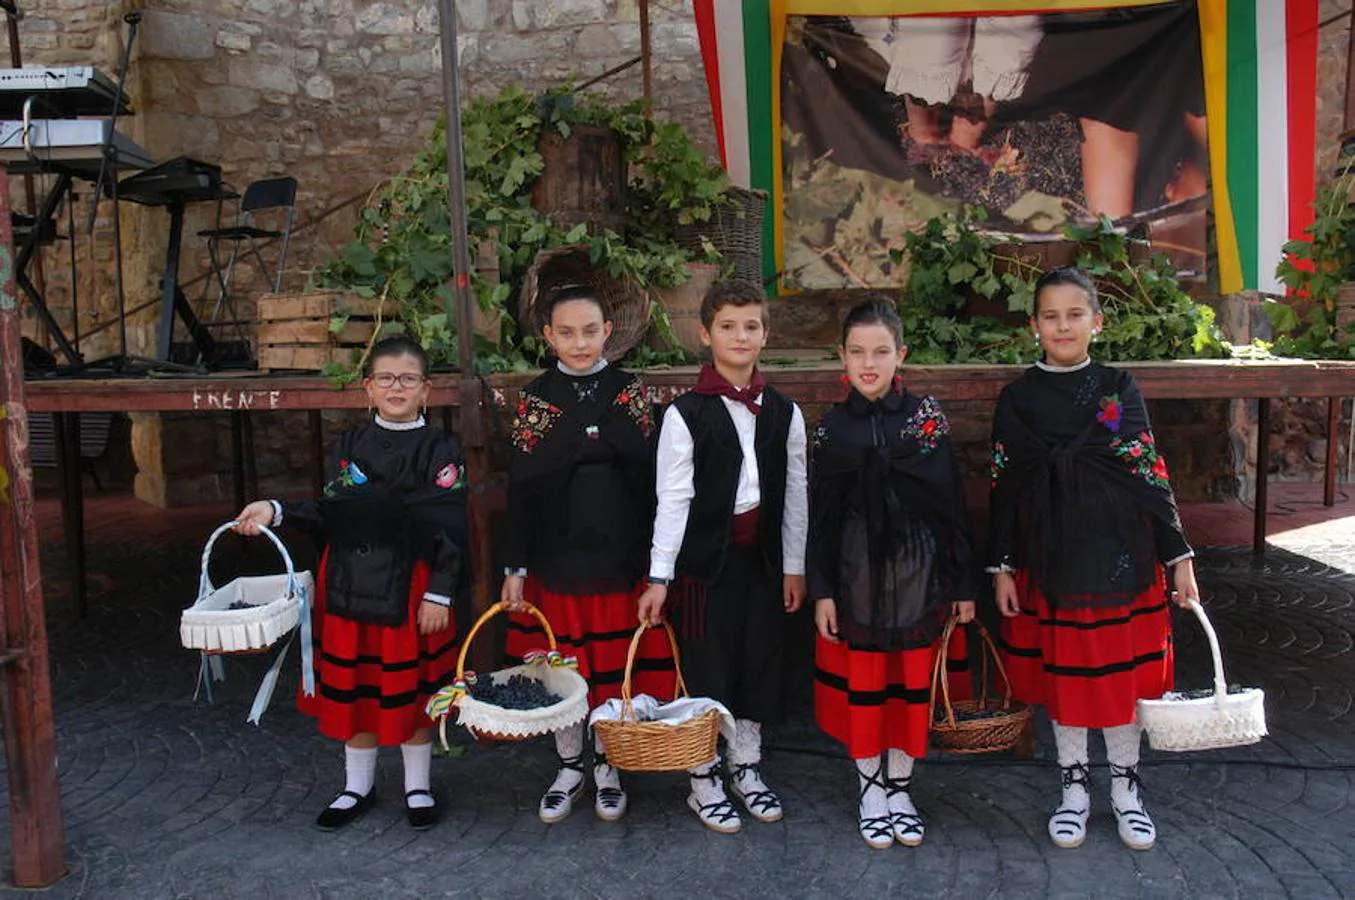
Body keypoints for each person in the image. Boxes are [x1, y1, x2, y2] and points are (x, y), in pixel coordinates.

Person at [988, 267, 1200, 851]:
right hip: (1049, 560)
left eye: (1074, 314)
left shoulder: (1116, 389)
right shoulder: (1020, 399)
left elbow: (1144, 469)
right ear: (1034, 326)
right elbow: (1006, 483)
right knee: (1068, 678)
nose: (1063, 325)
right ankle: (1074, 786)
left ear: (1096, 322)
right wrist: (1002, 563)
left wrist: (1177, 553)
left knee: (1120, 678)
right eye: (1050, 316)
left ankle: (1127, 786)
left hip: (1120, 555)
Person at [234, 335, 468, 832]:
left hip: (412, 586)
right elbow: (333, 512)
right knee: (359, 687)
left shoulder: (440, 449)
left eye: (407, 379)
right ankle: (356, 786)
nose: (396, 387)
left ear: (425, 390)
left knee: (411, 690)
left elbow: (450, 524)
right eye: (385, 378)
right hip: (348, 583)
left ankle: (417, 785)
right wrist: (275, 510)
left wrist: (439, 591)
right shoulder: (350, 445)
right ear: (369, 388)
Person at [636, 279, 809, 834]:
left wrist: (794, 566)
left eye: (751, 326)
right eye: (728, 326)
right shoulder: (685, 415)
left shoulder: (786, 412)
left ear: (765, 334)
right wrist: (660, 576)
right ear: (705, 333)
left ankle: (748, 766)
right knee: (709, 668)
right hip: (703, 569)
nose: (741, 336)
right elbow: (673, 500)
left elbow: (796, 494)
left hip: (762, 563)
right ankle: (703, 775)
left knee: (759, 663)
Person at [499, 284, 672, 824]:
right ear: (548, 336)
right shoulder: (538, 400)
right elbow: (521, 489)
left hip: (621, 559)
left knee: (613, 665)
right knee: (565, 665)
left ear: (608, 333)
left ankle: (609, 764)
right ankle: (570, 763)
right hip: (558, 557)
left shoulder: (631, 394)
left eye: (590, 331)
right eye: (567, 332)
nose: (579, 342)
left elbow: (653, 482)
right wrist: (516, 567)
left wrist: (655, 567)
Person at [810, 299, 979, 849]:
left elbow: (952, 503)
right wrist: (823, 591)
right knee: (867, 686)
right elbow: (821, 517)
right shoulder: (833, 430)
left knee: (908, 685)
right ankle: (870, 787)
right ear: (842, 356)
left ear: (900, 354)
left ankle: (901, 786)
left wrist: (963, 583)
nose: (868, 362)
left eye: (880, 351)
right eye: (857, 351)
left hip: (919, 574)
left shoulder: (925, 418)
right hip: (855, 575)